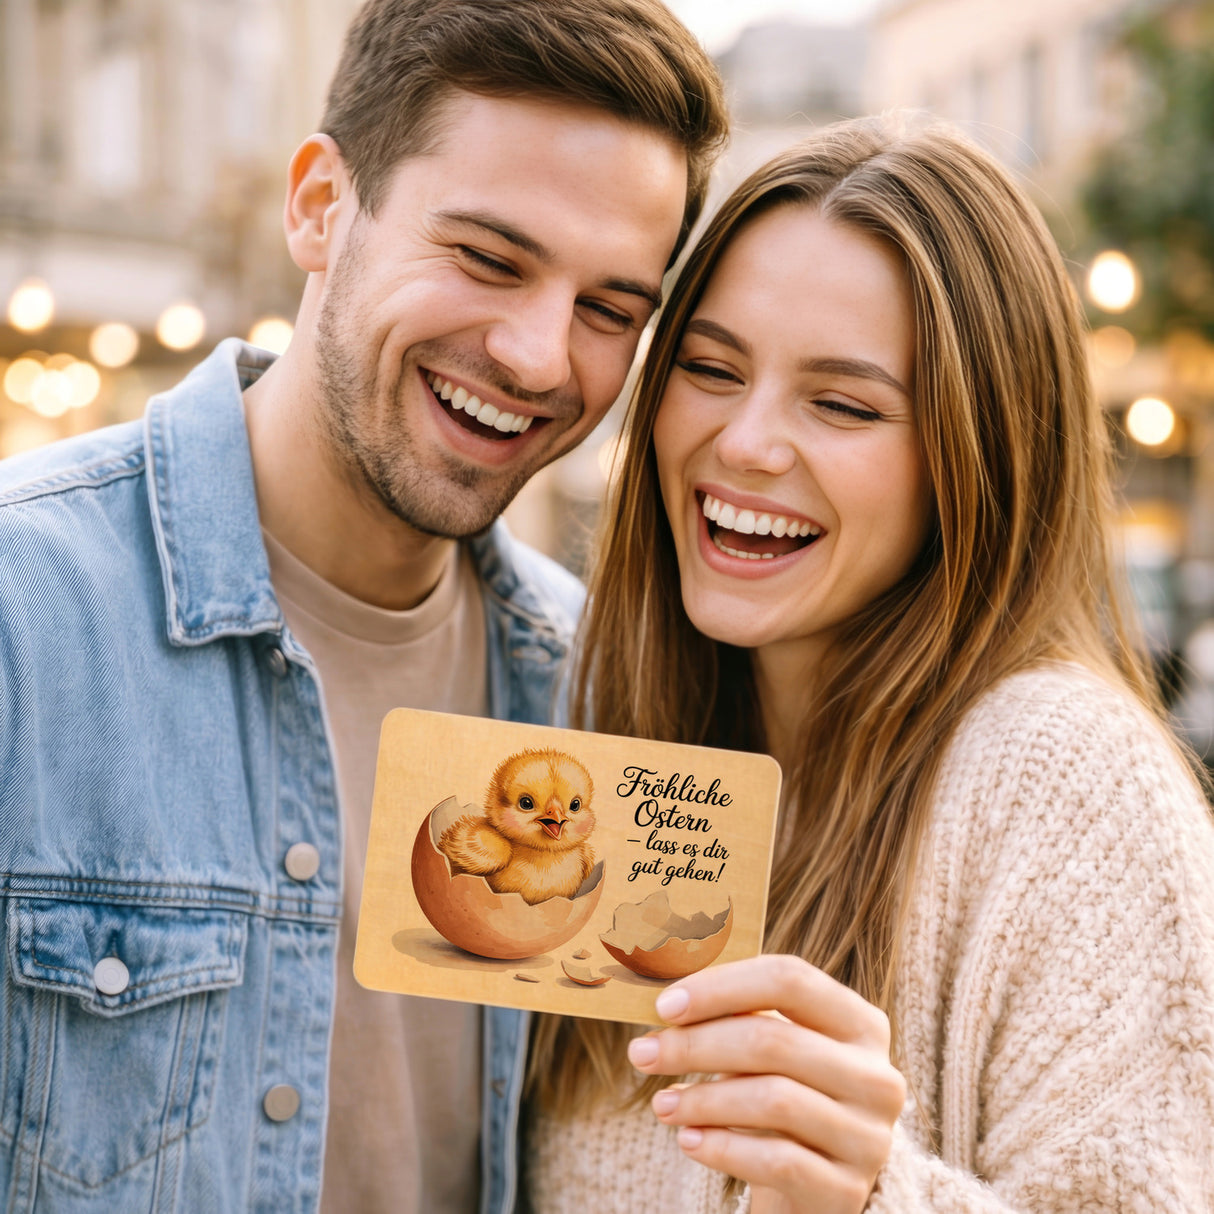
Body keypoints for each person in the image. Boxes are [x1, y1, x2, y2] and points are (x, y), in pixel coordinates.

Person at [0, 2, 727, 1211]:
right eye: (488, 257)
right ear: (320, 207)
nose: (541, 356)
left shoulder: (597, 693)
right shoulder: (26, 611)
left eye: (609, 308)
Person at [524, 115, 1214, 1212]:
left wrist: (869, 1193)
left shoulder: (1068, 784)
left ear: (972, 455)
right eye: (708, 367)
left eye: (840, 403)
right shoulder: (612, 734)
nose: (746, 441)